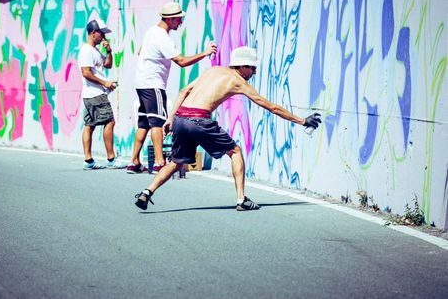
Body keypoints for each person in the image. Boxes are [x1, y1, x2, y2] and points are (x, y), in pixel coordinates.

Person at [134, 46, 321, 211]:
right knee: (236, 151)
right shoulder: (238, 81)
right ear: (241, 66)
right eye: (252, 68)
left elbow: (184, 91)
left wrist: (171, 118)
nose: (254, 72)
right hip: (199, 119)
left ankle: (147, 192)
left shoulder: (213, 70)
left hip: (181, 118)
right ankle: (241, 199)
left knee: (176, 162)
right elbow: (270, 106)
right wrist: (302, 121)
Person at [127, 2, 217, 174]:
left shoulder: (151, 31)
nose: (180, 22)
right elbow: (181, 62)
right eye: (178, 19)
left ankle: (134, 162)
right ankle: (160, 162)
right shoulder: (162, 37)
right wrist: (205, 53)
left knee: (144, 123)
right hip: (153, 84)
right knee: (157, 122)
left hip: (141, 82)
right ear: (170, 19)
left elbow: (140, 52)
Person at [78, 18, 127, 170]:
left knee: (89, 125)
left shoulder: (94, 50)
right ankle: (111, 158)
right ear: (93, 33)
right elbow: (86, 72)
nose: (104, 37)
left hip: (92, 93)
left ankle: (88, 161)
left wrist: (109, 51)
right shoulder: (86, 50)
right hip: (95, 94)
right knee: (109, 122)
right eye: (102, 33)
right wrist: (105, 83)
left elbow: (107, 65)